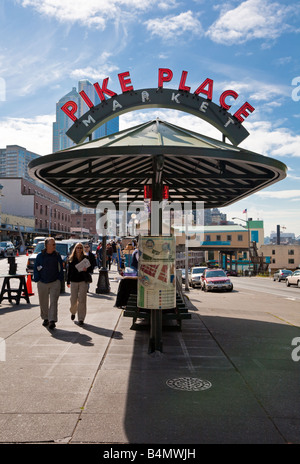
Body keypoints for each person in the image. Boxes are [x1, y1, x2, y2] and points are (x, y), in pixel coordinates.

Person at [33, 237, 64, 330]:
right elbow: (36, 268)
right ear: (47, 246)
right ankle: (45, 318)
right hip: (42, 282)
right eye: (53, 244)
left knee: (54, 302)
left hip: (55, 282)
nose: (55, 246)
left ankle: (52, 321)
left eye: (55, 244)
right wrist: (37, 279)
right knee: (43, 302)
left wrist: (60, 279)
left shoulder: (57, 255)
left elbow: (60, 268)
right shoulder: (40, 256)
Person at [67, 242, 93, 325]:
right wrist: (67, 281)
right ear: (75, 249)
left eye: (80, 248)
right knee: (73, 299)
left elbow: (91, 269)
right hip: (74, 281)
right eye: (77, 248)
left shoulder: (86, 258)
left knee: (82, 300)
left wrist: (87, 270)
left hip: (82, 281)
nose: (79, 249)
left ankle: (81, 318)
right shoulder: (71, 259)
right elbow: (69, 271)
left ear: (82, 249)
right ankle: (73, 312)